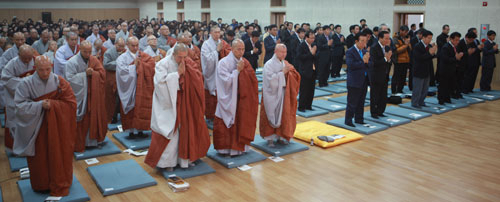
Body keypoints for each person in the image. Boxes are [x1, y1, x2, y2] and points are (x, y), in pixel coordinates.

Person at [13, 55, 77, 198]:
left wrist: (53, 105)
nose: (45, 73)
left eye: (48, 69)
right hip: (37, 127)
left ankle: (61, 179)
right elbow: (19, 106)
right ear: (35, 68)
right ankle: (41, 184)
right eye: (41, 70)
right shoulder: (25, 84)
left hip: (57, 127)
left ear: (52, 67)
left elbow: (71, 104)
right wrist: (39, 105)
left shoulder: (59, 81)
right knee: (40, 156)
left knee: (59, 153)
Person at [144, 44, 210, 171]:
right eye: (179, 57)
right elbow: (159, 84)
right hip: (168, 103)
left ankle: (185, 160)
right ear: (173, 54)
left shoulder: (188, 62)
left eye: (184, 57)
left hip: (184, 102)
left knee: (186, 130)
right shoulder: (162, 64)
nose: (182, 60)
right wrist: (177, 75)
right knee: (171, 134)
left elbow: (197, 77)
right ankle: (168, 163)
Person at [213, 39, 258, 157]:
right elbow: (225, 81)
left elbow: (252, 79)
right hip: (228, 98)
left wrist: (242, 73)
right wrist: (237, 72)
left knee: (242, 121)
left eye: (243, 49)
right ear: (232, 49)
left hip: (241, 99)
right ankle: (225, 149)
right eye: (239, 49)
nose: (241, 52)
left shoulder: (245, 62)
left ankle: (240, 148)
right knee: (225, 123)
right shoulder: (223, 63)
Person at [259, 44, 300, 147]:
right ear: (275, 52)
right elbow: (270, 81)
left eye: (285, 52)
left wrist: (289, 72)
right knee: (270, 114)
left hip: (282, 93)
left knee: (283, 114)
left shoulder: (285, 63)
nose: (284, 54)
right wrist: (282, 73)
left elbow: (293, 75)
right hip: (271, 95)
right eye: (281, 52)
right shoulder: (269, 64)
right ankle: (270, 138)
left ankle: (281, 135)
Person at [116, 36, 156, 138]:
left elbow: (151, 65)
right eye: (132, 45)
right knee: (131, 109)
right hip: (129, 87)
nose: (135, 48)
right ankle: (131, 131)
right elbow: (122, 72)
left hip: (142, 86)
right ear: (127, 45)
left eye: (137, 45)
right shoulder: (122, 58)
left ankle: (140, 130)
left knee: (141, 107)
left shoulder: (143, 55)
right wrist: (134, 67)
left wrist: (141, 65)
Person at [1, 45, 35, 150]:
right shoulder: (12, 64)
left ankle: (30, 146)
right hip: (15, 98)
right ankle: (17, 148)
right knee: (15, 123)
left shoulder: (35, 61)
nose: (27, 60)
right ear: (18, 55)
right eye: (24, 58)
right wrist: (25, 81)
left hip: (31, 98)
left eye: (29, 58)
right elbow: (6, 80)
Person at [201, 26, 231, 126]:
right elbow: (206, 60)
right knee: (210, 98)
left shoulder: (222, 42)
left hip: (221, 73)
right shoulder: (206, 44)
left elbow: (229, 53)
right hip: (211, 74)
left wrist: (224, 51)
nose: (217, 34)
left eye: (219, 32)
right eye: (215, 32)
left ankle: (220, 116)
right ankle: (210, 118)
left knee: (220, 95)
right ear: (210, 33)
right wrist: (216, 51)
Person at [345, 32, 370, 127]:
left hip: (364, 79)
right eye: (362, 41)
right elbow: (350, 65)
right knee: (352, 102)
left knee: (361, 101)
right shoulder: (350, 51)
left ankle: (359, 119)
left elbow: (369, 64)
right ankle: (348, 120)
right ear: (356, 41)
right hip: (354, 81)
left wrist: (367, 61)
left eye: (365, 41)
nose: (364, 43)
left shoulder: (364, 52)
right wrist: (363, 62)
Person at [369, 30, 392, 119]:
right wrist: (386, 59)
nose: (387, 40)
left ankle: (380, 111)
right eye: (386, 38)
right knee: (375, 95)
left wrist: (389, 60)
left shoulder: (387, 48)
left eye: (388, 38)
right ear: (380, 38)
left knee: (383, 95)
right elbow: (374, 63)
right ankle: (374, 112)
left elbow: (389, 61)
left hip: (385, 75)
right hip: (376, 75)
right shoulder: (374, 47)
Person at [412, 29, 437, 108]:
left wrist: (433, 53)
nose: (430, 40)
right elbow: (419, 58)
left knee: (425, 89)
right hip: (419, 70)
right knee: (417, 89)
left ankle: (421, 101)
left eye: (431, 38)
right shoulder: (417, 46)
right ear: (424, 38)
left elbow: (430, 57)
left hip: (427, 70)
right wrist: (429, 53)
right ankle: (415, 103)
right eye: (429, 38)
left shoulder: (429, 46)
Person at [103, 38, 126, 123]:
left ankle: (122, 115)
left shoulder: (125, 51)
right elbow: (106, 64)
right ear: (115, 44)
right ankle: (113, 116)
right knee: (113, 98)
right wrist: (119, 63)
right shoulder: (108, 52)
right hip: (112, 77)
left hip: (123, 78)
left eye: (123, 46)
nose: (121, 48)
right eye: (120, 46)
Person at [438, 32, 463, 104]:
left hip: (452, 69)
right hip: (445, 69)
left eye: (458, 40)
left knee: (450, 85)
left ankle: (447, 98)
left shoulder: (455, 47)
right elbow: (446, 59)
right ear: (451, 39)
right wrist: (456, 58)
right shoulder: (446, 47)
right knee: (443, 85)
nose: (457, 42)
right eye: (456, 40)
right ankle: (441, 99)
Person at [297, 31, 317, 112]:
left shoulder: (313, 45)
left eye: (313, 38)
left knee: (311, 89)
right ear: (306, 38)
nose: (313, 40)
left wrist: (314, 53)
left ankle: (309, 105)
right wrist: (311, 53)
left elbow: (315, 56)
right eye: (311, 38)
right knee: (304, 90)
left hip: (313, 69)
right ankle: (301, 107)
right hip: (304, 70)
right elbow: (300, 57)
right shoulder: (301, 45)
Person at [392, 25, 411, 94]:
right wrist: (405, 45)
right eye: (405, 32)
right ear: (401, 31)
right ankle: (394, 91)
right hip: (398, 61)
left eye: (407, 32)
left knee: (403, 77)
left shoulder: (406, 38)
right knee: (396, 77)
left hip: (406, 60)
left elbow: (409, 49)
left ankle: (400, 89)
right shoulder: (395, 39)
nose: (406, 33)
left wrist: (408, 44)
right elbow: (396, 50)